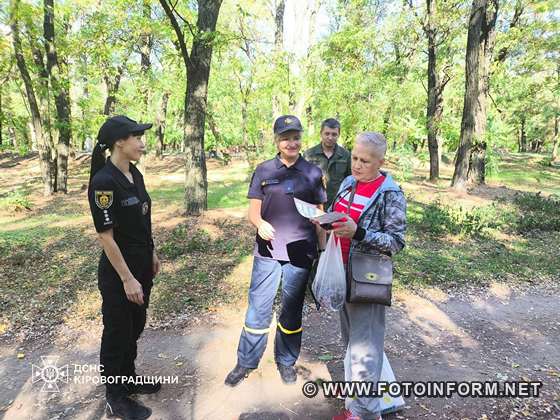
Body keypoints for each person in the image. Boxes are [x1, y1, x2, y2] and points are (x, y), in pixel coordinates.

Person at [225, 115, 327, 387]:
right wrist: (259, 225)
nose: (291, 143)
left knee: (291, 310)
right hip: (268, 252)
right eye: (285, 138)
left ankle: (286, 362)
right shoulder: (264, 170)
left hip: (300, 253)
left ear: (301, 139)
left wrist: (323, 249)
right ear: (276, 140)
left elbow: (320, 214)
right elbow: (253, 212)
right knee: (258, 309)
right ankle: (245, 362)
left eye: (295, 137)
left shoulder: (313, 172)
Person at [322, 132, 407, 420]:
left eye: (365, 161)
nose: (357, 165)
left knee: (364, 349)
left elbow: (396, 241)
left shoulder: (390, 194)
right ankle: (360, 404)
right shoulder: (348, 184)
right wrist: (324, 220)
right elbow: (337, 215)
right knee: (353, 345)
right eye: (354, 158)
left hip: (367, 279)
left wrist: (359, 232)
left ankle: (364, 413)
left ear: (381, 162)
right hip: (342, 271)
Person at [88, 115, 162, 420]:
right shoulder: (104, 182)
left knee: (135, 327)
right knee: (118, 333)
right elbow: (106, 238)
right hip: (120, 274)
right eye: (137, 137)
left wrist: (153, 252)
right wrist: (128, 279)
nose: (142, 143)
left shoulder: (135, 174)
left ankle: (128, 379)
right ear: (120, 141)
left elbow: (143, 220)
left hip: (142, 265)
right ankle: (115, 397)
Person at [304, 118, 351, 208]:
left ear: (338, 135)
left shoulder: (346, 155)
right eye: (327, 133)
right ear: (321, 133)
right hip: (314, 204)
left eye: (334, 134)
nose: (330, 137)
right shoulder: (308, 155)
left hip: (337, 205)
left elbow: (350, 181)